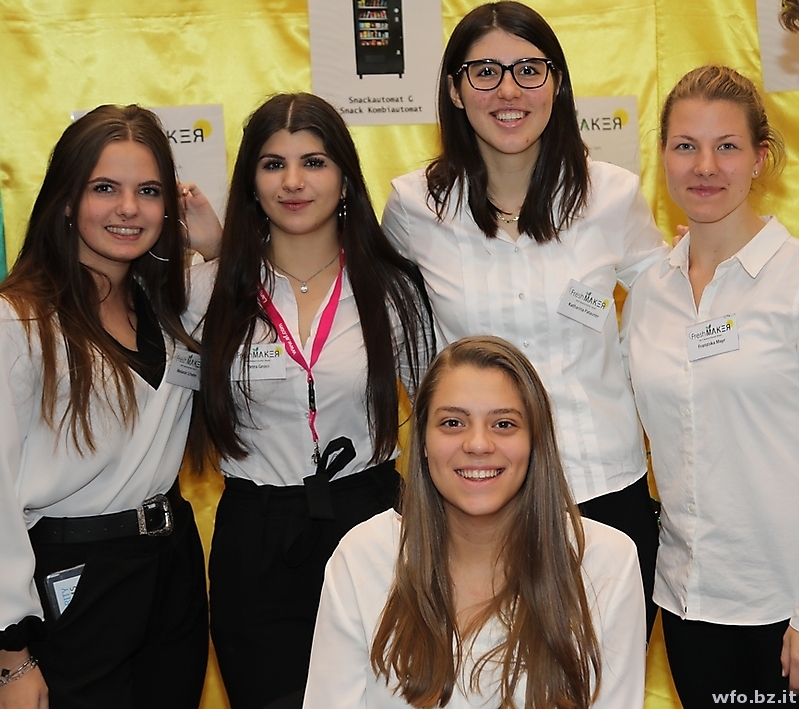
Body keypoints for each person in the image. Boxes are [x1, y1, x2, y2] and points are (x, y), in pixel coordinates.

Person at [380, 0, 667, 637]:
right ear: (455, 90)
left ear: (556, 83)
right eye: (485, 72)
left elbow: (663, 313)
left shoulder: (612, 195)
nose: (508, 90)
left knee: (603, 679)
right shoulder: (414, 207)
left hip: (603, 489)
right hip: (477, 501)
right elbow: (401, 340)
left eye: (529, 69)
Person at [185, 92, 434, 708]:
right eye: (273, 164)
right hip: (256, 538)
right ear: (251, 183)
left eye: (314, 162)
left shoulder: (393, 287)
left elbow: (438, 417)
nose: (293, 182)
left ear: (345, 178)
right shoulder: (205, 291)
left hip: (372, 522)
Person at [0, 105, 215, 709]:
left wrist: (216, 240)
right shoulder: (17, 322)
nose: (128, 209)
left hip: (171, 569)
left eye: (148, 191)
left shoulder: (171, 308)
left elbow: (249, 296)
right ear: (66, 200)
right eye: (104, 189)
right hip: (72, 575)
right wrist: (11, 659)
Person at [303, 335, 646, 709]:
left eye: (504, 424)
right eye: (453, 422)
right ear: (423, 441)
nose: (478, 444)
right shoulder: (363, 556)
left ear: (536, 441)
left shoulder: (606, 562)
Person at [623, 65, 799, 707]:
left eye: (727, 146)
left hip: (783, 605)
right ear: (662, 155)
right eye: (685, 146)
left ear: (760, 158)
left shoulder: (791, 280)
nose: (705, 166)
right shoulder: (650, 291)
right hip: (687, 601)